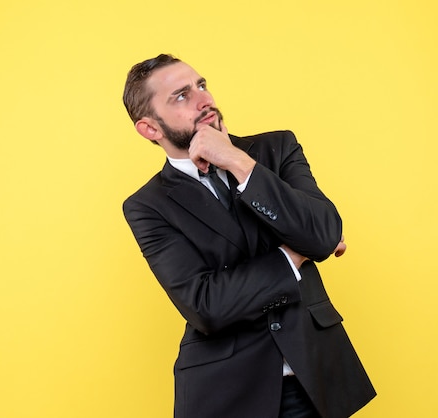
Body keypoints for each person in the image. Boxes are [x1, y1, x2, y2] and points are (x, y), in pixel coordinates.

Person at [122, 54, 376, 418]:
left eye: (202, 85)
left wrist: (239, 163)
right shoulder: (147, 206)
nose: (203, 99)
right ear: (150, 129)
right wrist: (294, 255)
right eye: (181, 95)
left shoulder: (276, 149)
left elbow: (324, 231)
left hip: (316, 379)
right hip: (226, 392)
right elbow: (206, 306)